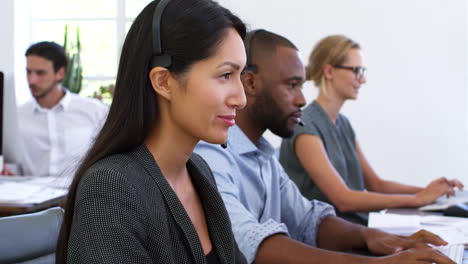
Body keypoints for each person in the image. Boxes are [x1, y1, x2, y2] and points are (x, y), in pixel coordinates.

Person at [195, 29, 455, 264]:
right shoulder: (211, 156)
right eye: (292, 85)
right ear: (251, 83)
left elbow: (309, 219)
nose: (301, 99)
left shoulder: (264, 155)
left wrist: (374, 238)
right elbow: (252, 244)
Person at [56, 0, 248, 263]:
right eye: (225, 75)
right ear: (163, 81)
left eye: (241, 76)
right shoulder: (110, 188)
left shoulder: (198, 170)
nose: (241, 98)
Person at [279, 35, 464, 225]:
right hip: (329, 238)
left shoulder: (343, 124)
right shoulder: (306, 126)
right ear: (329, 71)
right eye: (357, 71)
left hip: (355, 229)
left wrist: (428, 192)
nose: (363, 79)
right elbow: (343, 200)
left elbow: (376, 184)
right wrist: (417, 199)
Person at [1, 41, 108, 177]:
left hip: (81, 194)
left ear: (60, 73)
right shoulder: (16, 117)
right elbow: (13, 165)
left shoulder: (95, 111)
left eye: (40, 73)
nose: (31, 80)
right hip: (32, 195)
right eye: (28, 72)